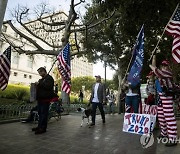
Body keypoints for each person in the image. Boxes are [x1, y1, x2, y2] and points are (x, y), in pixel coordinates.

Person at [149, 56, 177, 146]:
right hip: (160, 97)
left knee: (169, 117)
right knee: (161, 117)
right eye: (163, 65)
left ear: (168, 67)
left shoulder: (167, 73)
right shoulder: (160, 74)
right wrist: (153, 59)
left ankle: (173, 138)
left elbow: (157, 71)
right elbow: (155, 71)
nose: (164, 67)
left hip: (166, 96)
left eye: (166, 65)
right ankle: (164, 134)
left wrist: (150, 65)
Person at [32, 67, 55, 134]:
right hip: (40, 99)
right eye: (39, 73)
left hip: (45, 99)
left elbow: (48, 86)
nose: (39, 74)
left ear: (44, 71)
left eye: (40, 72)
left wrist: (39, 84)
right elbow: (40, 87)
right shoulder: (41, 79)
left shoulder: (49, 78)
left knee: (44, 114)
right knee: (40, 113)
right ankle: (39, 126)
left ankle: (43, 128)